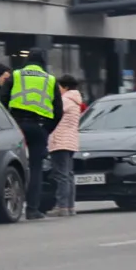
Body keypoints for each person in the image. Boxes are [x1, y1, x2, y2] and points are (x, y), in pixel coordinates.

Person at [3, 48, 62, 220]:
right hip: (38, 127)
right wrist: (46, 129)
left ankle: (11, 205)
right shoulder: (50, 79)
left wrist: (8, 124)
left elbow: (1, 100)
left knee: (11, 166)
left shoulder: (16, 75)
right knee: (36, 168)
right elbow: (58, 111)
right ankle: (32, 209)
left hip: (17, 126)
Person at [48, 75, 83, 217]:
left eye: (59, 87)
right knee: (68, 175)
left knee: (62, 175)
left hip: (60, 141)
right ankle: (70, 206)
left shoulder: (64, 100)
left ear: (65, 87)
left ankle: (61, 206)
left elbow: (50, 114)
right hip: (71, 141)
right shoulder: (76, 101)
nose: (57, 90)